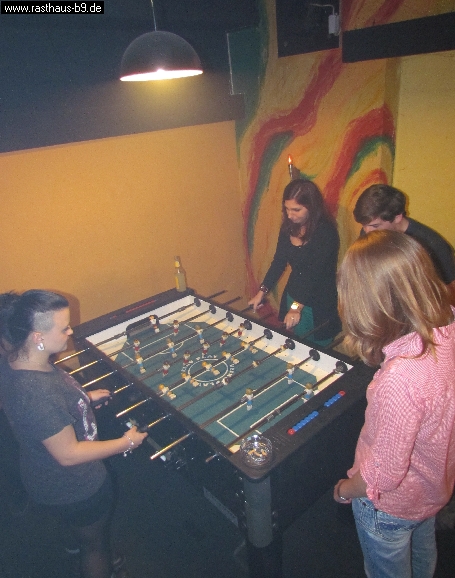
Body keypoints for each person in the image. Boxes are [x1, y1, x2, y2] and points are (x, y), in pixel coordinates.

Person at [0, 290, 148, 578]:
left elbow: (48, 410)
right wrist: (126, 442)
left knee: (80, 532)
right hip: (76, 488)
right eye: (64, 328)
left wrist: (83, 399)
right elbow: (68, 454)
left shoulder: (17, 359)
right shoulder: (35, 394)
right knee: (95, 546)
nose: (70, 331)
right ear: (38, 337)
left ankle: (76, 542)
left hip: (43, 477)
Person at [333, 231, 455, 578]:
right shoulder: (449, 324)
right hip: (433, 488)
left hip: (390, 507)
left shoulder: (401, 378)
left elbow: (382, 476)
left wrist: (344, 491)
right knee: (423, 551)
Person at [249, 178, 341, 346]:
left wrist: (295, 308)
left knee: (316, 350)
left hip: (318, 303)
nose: (290, 215)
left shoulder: (326, 232)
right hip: (294, 296)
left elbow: (312, 275)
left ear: (312, 206)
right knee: (298, 344)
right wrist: (261, 292)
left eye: (296, 210)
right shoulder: (288, 226)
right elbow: (279, 261)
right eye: (287, 209)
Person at [353, 184, 455, 303]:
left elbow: (451, 291)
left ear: (397, 217)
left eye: (375, 226)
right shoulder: (370, 233)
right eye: (364, 226)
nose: (367, 231)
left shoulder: (433, 244)